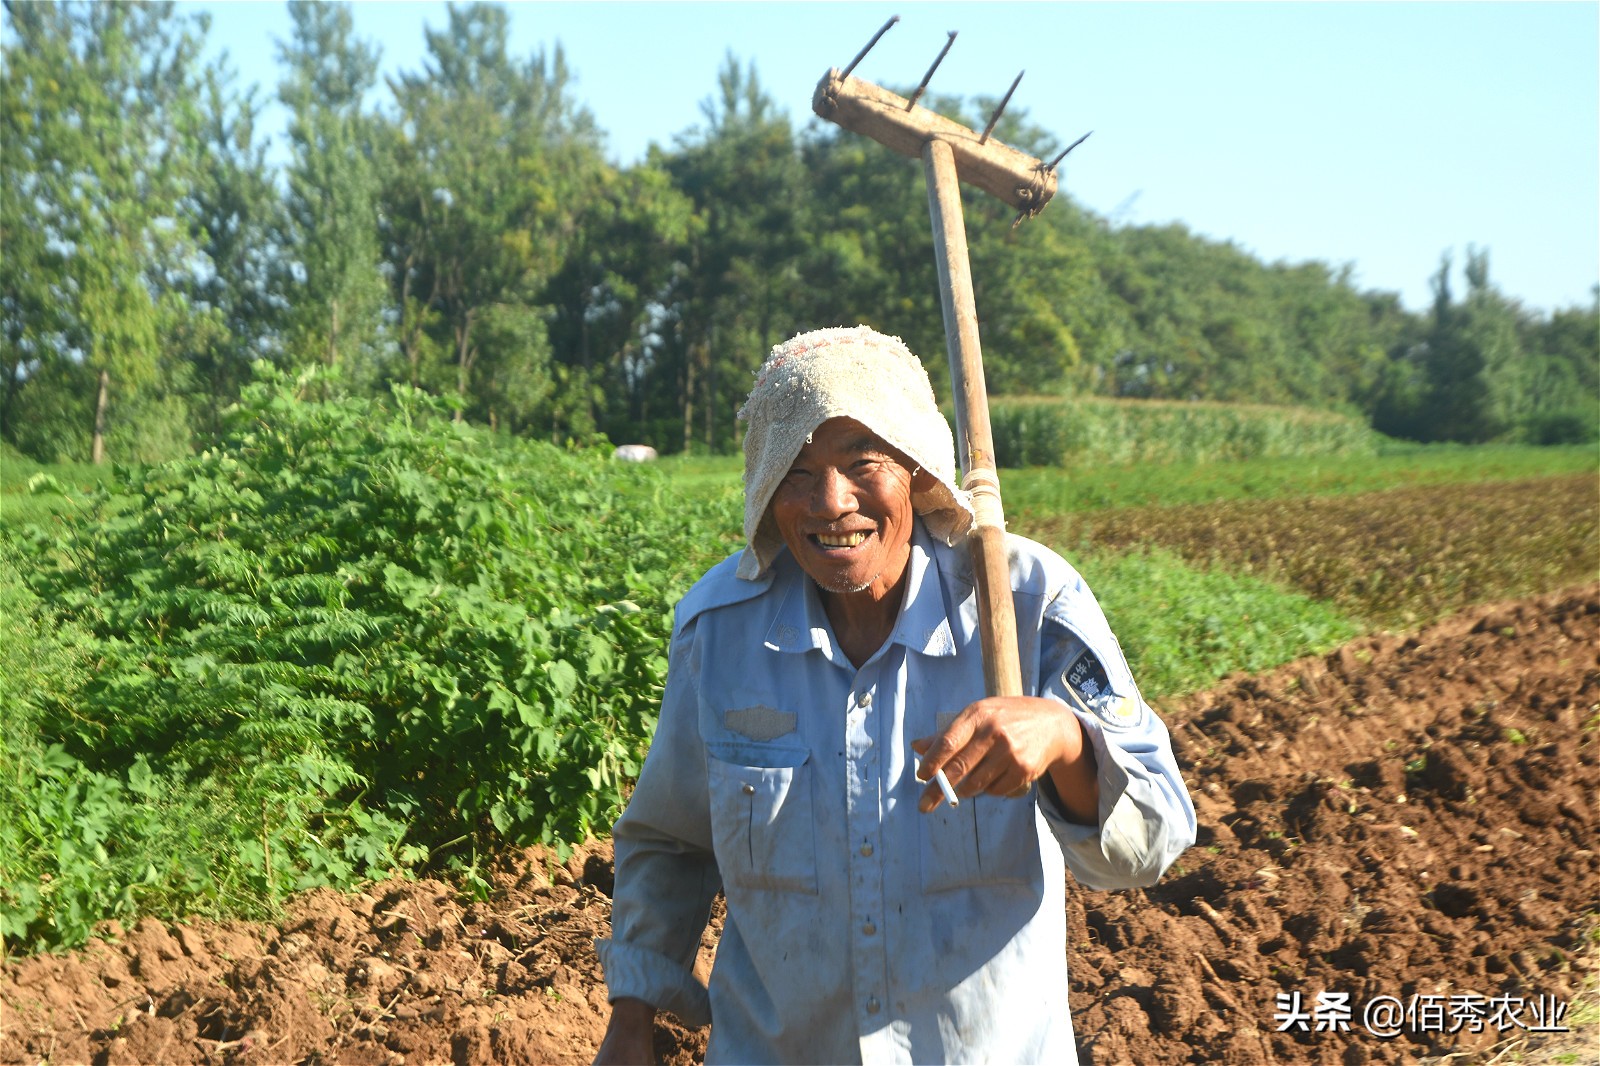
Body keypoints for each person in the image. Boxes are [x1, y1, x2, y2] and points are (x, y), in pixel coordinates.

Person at [593, 326, 1195, 1065]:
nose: (830, 502)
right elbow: (672, 842)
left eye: (861, 463)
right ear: (764, 488)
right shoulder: (721, 631)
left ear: (915, 469)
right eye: (796, 471)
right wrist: (630, 1020)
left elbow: (1153, 842)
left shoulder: (1027, 603)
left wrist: (1066, 741)